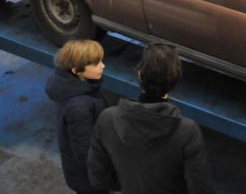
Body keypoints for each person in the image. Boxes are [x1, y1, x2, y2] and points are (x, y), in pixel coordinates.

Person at [88, 43, 215, 194]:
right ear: (175, 80)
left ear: (140, 74)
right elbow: (201, 188)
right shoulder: (187, 131)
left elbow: (98, 178)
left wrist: (130, 185)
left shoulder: (107, 119)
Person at [45, 39, 108, 194]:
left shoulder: (75, 87)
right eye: (96, 63)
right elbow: (85, 153)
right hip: (90, 181)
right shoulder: (79, 107)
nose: (103, 66)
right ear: (76, 70)